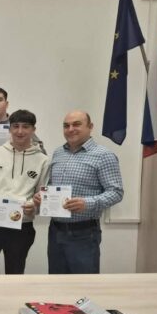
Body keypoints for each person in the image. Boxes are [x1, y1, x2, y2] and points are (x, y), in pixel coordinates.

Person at [34, 110, 124, 274]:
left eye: (76, 124)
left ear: (90, 127)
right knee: (56, 282)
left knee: (84, 284)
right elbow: (53, 186)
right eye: (66, 126)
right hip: (55, 231)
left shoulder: (104, 156)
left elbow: (116, 192)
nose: (70, 129)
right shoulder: (58, 153)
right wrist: (43, 197)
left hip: (84, 233)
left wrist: (87, 203)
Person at [0, 110, 50, 274]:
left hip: (21, 225)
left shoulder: (43, 160)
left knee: (15, 272)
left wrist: (33, 205)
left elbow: (41, 193)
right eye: (15, 126)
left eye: (25, 127)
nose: (20, 131)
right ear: (9, 129)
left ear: (33, 129)